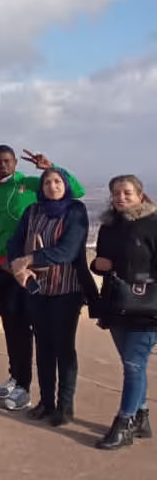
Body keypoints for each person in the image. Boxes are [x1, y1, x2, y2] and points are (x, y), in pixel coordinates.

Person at [0, 145, 85, 411]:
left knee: (33, 332)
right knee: (12, 328)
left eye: (7, 161)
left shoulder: (29, 183)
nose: (3, 165)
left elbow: (77, 190)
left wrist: (48, 167)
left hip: (31, 273)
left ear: (15, 162)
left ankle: (29, 390)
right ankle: (17, 378)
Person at [7, 168, 93, 427]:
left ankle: (65, 407)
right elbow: (15, 242)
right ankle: (46, 402)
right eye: (47, 182)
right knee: (43, 347)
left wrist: (30, 259)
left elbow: (67, 250)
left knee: (64, 349)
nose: (52, 186)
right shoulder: (33, 211)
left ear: (65, 185)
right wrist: (17, 267)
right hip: (37, 290)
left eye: (57, 182)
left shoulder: (75, 211)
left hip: (65, 290)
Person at [91, 175, 157, 449]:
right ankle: (141, 416)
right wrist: (98, 265)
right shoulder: (108, 227)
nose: (121, 197)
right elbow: (101, 262)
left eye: (127, 192)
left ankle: (125, 421)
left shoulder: (153, 225)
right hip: (116, 303)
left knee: (133, 364)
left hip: (147, 306)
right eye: (116, 193)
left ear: (140, 195)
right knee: (133, 365)